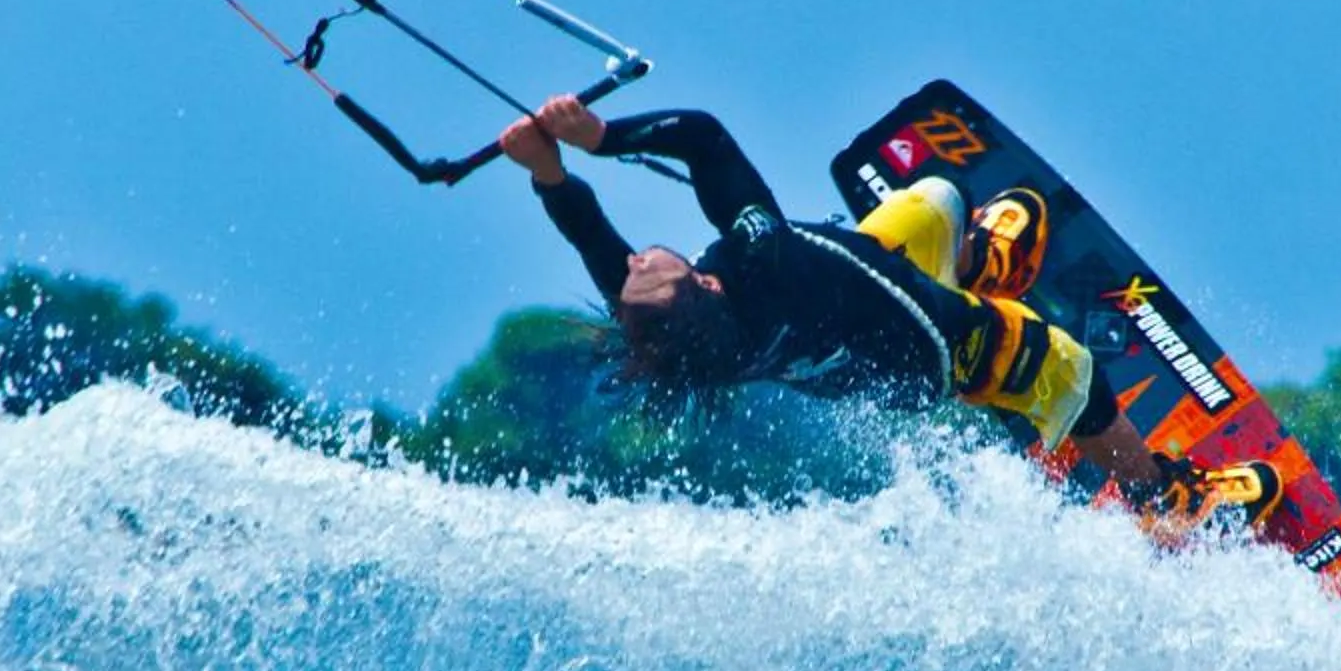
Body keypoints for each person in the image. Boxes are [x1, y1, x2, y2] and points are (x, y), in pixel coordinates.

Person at [498, 94, 1276, 525]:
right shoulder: (761, 256)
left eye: (634, 271)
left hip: (857, 322)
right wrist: (600, 136)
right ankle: (1164, 499)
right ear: (703, 285)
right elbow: (704, 138)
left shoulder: (680, 336)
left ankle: (978, 263)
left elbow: (595, 245)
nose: (638, 259)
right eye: (649, 269)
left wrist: (548, 174)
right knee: (1068, 368)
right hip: (926, 350)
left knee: (935, 200)